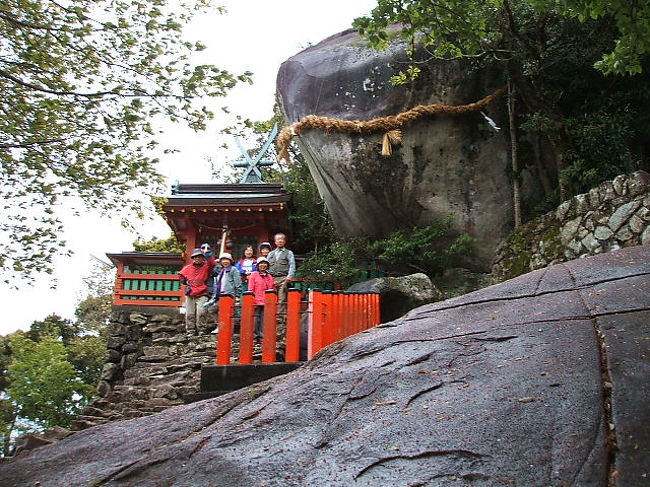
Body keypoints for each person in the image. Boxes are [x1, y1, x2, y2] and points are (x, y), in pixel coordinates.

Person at [178, 248, 216, 336]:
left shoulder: (206, 267)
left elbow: (212, 263)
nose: (197, 259)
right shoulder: (188, 268)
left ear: (203, 258)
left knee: (201, 312)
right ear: (193, 258)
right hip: (190, 293)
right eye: (195, 257)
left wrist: (209, 255)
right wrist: (184, 281)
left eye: (199, 257)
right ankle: (190, 330)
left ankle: (201, 329)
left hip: (202, 293)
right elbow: (180, 275)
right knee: (190, 313)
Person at [266, 233, 295, 337]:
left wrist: (289, 278)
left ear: (284, 241)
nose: (280, 241)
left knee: (282, 300)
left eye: (282, 239)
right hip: (272, 279)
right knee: (270, 299)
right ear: (275, 241)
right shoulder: (271, 254)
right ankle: (270, 321)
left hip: (283, 278)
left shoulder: (288, 253)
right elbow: (267, 266)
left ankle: (280, 324)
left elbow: (292, 265)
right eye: (278, 239)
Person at [247, 256, 276, 344]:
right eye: (261, 263)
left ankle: (262, 336)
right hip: (256, 299)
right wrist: (251, 299)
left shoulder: (269, 276)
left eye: (265, 263)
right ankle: (254, 337)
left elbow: (272, 288)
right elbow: (250, 288)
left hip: (266, 301)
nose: (263, 265)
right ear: (258, 265)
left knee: (264, 320)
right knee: (255, 319)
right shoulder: (254, 275)